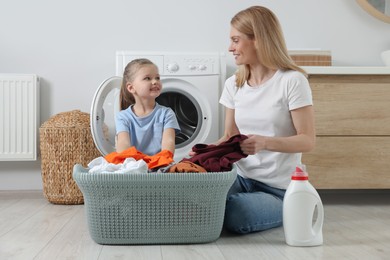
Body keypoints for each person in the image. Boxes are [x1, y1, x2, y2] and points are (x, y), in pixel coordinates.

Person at [219, 6, 316, 234]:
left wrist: (264, 142)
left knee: (234, 212)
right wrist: (202, 152)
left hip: (278, 189)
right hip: (241, 178)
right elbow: (229, 137)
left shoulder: (292, 81)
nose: (230, 48)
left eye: (236, 40)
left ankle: (291, 209)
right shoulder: (234, 84)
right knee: (195, 195)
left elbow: (307, 141)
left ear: (258, 40)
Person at [115, 58, 180, 156]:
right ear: (131, 88)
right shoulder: (123, 117)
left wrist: (161, 162)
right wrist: (130, 164)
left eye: (157, 78)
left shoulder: (167, 114)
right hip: (133, 164)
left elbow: (168, 143)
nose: (155, 81)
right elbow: (123, 144)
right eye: (147, 78)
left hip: (159, 164)